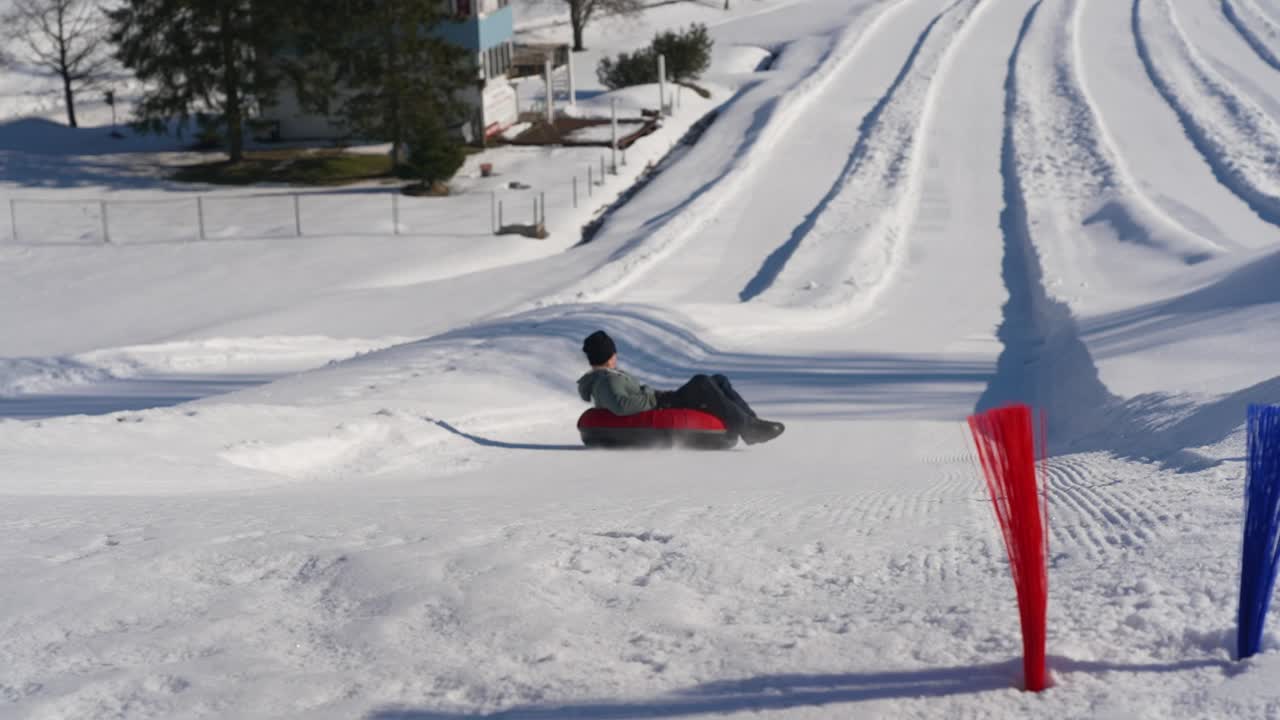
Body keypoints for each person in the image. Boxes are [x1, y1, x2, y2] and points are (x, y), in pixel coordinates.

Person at [576, 330, 786, 445]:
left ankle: (751, 423)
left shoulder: (606, 377)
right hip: (659, 405)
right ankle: (748, 427)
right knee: (702, 382)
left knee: (718, 380)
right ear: (611, 356)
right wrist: (650, 396)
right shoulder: (607, 380)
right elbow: (621, 406)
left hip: (659, 401)